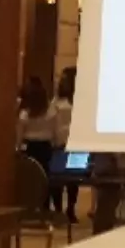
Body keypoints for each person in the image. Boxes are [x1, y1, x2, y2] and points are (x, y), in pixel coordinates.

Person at [51, 67, 78, 221]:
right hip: (60, 143)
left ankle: (70, 208)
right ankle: (59, 209)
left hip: (73, 143)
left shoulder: (79, 100)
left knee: (73, 180)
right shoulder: (57, 100)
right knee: (59, 179)